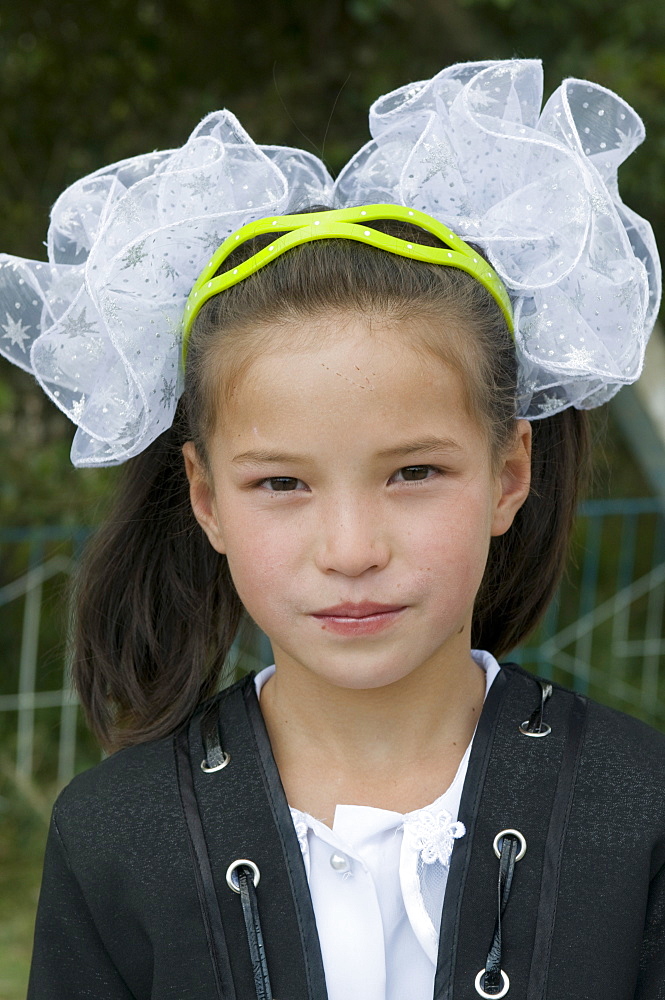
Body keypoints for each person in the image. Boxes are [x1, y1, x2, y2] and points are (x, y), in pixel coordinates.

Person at [1, 59, 663, 1000]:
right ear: (203, 499)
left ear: (510, 473)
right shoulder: (114, 835)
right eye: (280, 482)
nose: (351, 548)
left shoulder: (641, 810)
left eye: (413, 473)